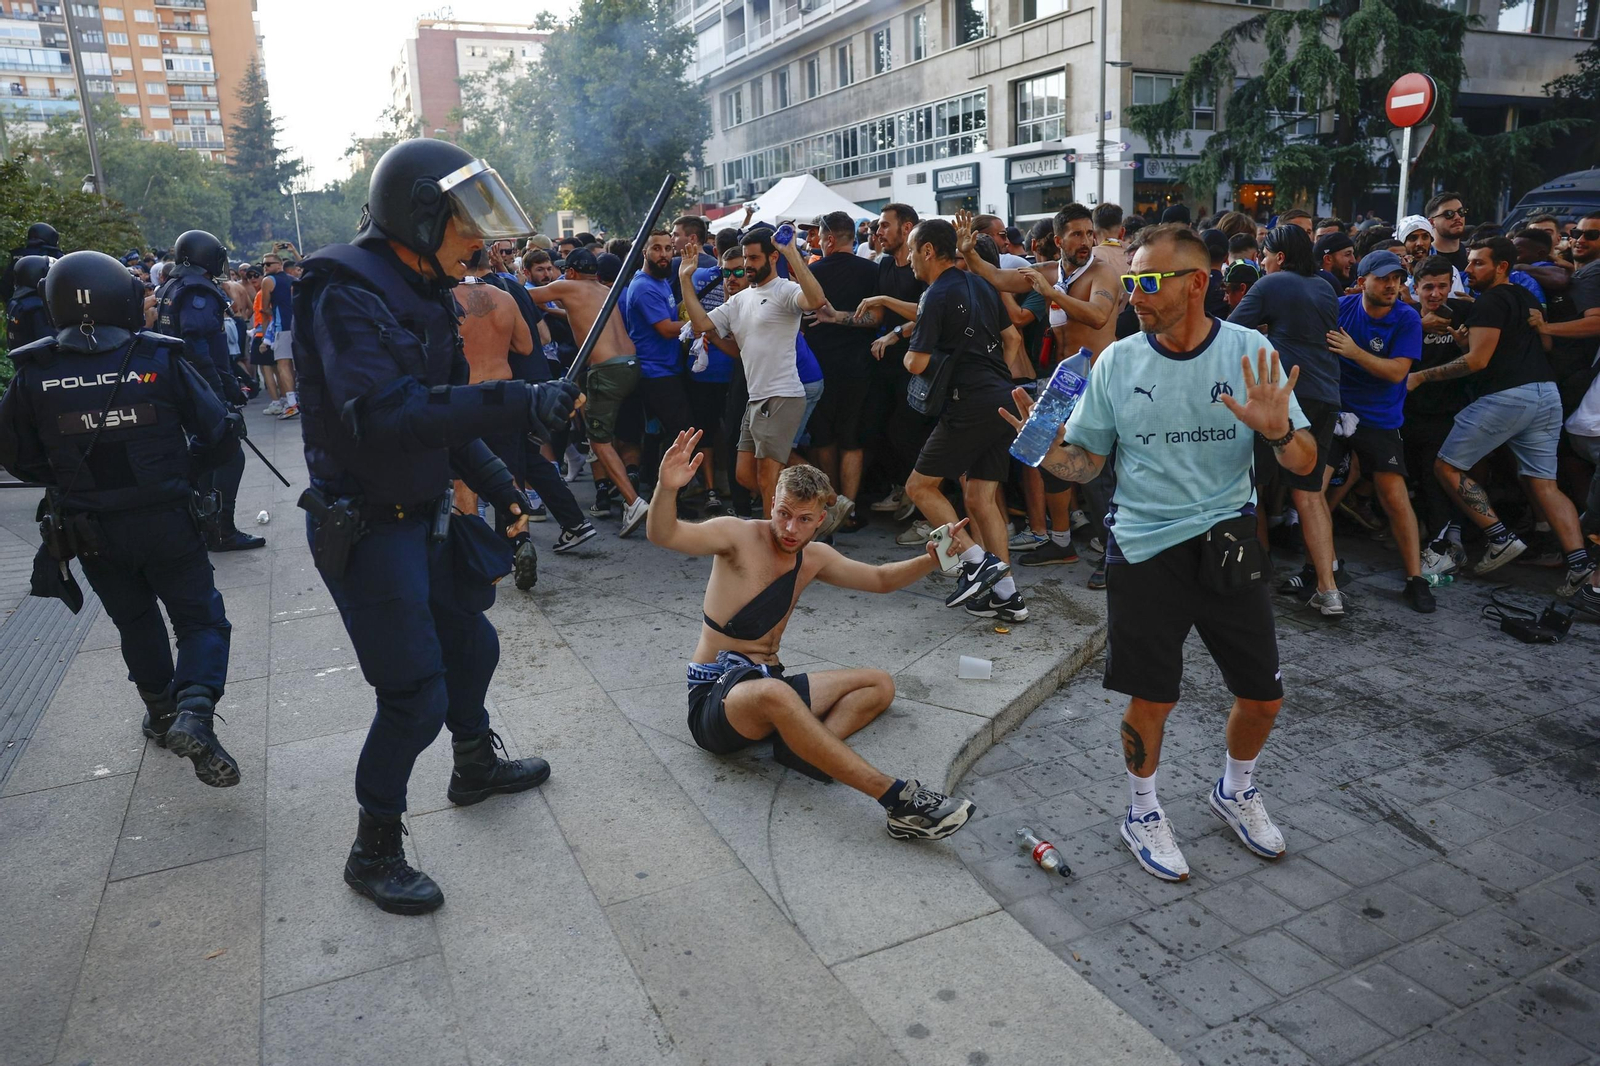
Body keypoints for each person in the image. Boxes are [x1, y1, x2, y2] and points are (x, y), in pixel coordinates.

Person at [290, 137, 580, 915]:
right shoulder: (344, 291)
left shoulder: (424, 287)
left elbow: (447, 416)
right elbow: (388, 417)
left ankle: (474, 765)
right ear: (419, 215)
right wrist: (521, 398)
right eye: (467, 222)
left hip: (423, 516)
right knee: (414, 694)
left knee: (474, 644)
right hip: (366, 526)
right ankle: (373, 848)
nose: (482, 240)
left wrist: (499, 486)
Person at [1003, 222, 1317, 882]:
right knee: (1153, 698)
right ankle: (1141, 809)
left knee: (1263, 696)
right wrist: (1047, 452)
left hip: (1229, 540)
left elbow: (1307, 460)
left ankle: (1236, 789)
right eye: (1131, 282)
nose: (1134, 295)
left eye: (1148, 282)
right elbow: (1087, 465)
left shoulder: (1247, 350)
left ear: (1198, 282)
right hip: (1144, 546)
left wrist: (1280, 430)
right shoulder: (1118, 360)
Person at [647, 434, 976, 837]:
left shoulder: (814, 557)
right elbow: (665, 535)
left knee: (879, 685)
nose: (789, 528)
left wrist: (933, 557)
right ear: (772, 503)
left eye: (804, 519)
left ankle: (801, 749)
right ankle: (898, 801)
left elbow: (881, 579)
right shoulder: (735, 535)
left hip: (769, 684)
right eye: (783, 513)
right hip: (718, 700)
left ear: (821, 520)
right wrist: (666, 487)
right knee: (776, 694)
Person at [0, 250, 243, 788]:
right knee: (200, 620)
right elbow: (220, 432)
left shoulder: (34, 371)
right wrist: (181, 469)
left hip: (91, 528)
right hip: (166, 519)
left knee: (135, 622)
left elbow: (14, 455)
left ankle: (161, 713)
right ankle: (195, 711)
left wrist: (68, 478)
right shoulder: (157, 356)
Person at [1410, 237, 1594, 596]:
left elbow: (1477, 362)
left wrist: (1420, 376)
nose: (1468, 269)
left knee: (1446, 467)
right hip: (1546, 395)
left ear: (1502, 267)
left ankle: (1499, 537)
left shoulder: (1492, 301)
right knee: (1545, 485)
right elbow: (1543, 344)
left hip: (1508, 397)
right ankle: (1581, 568)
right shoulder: (1524, 297)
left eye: (1478, 263)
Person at [903, 217, 1028, 620]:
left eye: (910, 251)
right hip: (1001, 398)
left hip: (969, 402)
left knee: (919, 488)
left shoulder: (935, 294)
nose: (907, 260)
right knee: (979, 498)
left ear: (927, 251)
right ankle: (1008, 595)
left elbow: (916, 362)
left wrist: (906, 353)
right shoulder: (980, 283)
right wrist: (995, 379)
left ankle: (976, 561)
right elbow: (1013, 340)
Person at [1229, 225, 1345, 613]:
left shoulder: (1270, 284)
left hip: (1283, 397)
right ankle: (1329, 590)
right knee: (1310, 493)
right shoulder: (1326, 286)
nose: (1261, 262)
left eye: (1264, 255)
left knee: (1252, 486)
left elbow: (1230, 330)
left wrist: (1265, 332)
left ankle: (1255, 576)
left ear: (1279, 257)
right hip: (1326, 394)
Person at [680, 227, 826, 511]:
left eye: (754, 258)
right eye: (745, 258)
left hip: (782, 394)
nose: (747, 264)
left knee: (767, 479)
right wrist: (685, 278)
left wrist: (791, 253)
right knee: (745, 476)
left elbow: (816, 300)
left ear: (772, 258)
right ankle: (823, 505)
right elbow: (700, 325)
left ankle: (775, 544)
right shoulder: (738, 300)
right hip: (756, 397)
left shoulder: (784, 289)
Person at [1324, 250, 1433, 612]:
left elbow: (1396, 373)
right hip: (1337, 412)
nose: (1392, 285)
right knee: (1315, 491)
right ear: (1361, 281)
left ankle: (1415, 578)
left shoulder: (1407, 317)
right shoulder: (1342, 306)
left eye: (1397, 279)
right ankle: (1321, 567)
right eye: (1384, 278)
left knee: (1394, 495)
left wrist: (1354, 352)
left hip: (1380, 417)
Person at [154, 230, 262, 553]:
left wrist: (229, 385)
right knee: (230, 456)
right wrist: (219, 395)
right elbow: (197, 347)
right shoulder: (198, 292)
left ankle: (204, 527)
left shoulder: (173, 286)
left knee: (205, 455)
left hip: (185, 385)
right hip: (200, 387)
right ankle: (221, 530)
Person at [531, 247, 651, 536]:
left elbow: (527, 296)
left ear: (571, 271)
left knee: (599, 442)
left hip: (607, 372)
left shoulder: (567, 285)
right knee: (619, 435)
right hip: (631, 366)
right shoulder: (602, 288)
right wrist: (554, 310)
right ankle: (626, 489)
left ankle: (634, 502)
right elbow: (581, 312)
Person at [801, 210, 880, 533]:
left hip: (819, 367)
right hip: (858, 366)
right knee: (851, 439)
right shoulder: (871, 271)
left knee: (824, 438)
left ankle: (829, 506)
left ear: (830, 239)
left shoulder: (812, 272)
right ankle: (848, 508)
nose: (819, 242)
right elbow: (875, 319)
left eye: (820, 237)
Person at [259, 246, 300, 419]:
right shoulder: (293, 279)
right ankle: (293, 400)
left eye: (269, 264)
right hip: (298, 325)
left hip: (282, 327)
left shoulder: (268, 281)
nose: (265, 267)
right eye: (263, 264)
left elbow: (264, 307)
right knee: (296, 366)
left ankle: (291, 404)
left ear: (279, 264)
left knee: (283, 365)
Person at [0, 221, 61, 304]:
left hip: (19, 306)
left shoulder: (18, 256)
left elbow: (5, 285)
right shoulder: (55, 256)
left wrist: (12, 304)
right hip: (48, 307)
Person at [5, 255, 54, 348]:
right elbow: (48, 341)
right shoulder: (37, 307)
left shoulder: (16, 302)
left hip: (21, 357)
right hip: (39, 360)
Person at [1424, 192, 1469, 272]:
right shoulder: (1423, 259)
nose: (1457, 217)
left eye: (1461, 212)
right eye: (1449, 214)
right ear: (1431, 222)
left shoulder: (1471, 258)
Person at [1313, 231, 1356, 298]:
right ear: (1328, 259)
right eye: (1347, 254)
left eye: (1353, 254)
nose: (1353, 261)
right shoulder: (1316, 289)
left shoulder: (1354, 281)